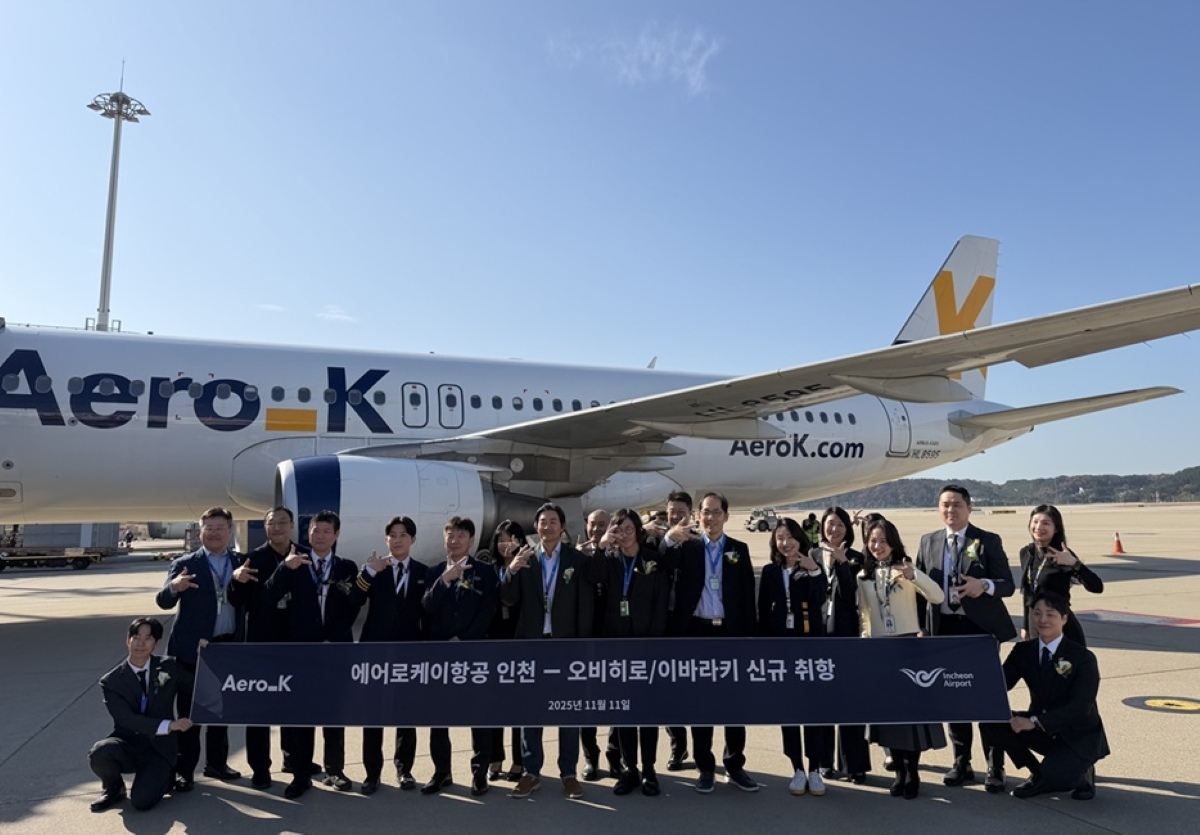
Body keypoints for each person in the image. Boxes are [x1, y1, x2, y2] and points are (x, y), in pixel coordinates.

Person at [915, 484, 1016, 793]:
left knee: (986, 699)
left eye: (957, 504)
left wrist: (982, 585)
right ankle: (962, 762)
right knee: (954, 697)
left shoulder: (987, 540)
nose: (950, 510)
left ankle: (995, 766)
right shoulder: (928, 541)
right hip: (944, 629)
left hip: (979, 630)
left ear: (969, 508)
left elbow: (1007, 584)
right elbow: (919, 587)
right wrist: (921, 627)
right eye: (945, 504)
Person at [263, 510, 360, 798]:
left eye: (327, 531)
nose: (320, 536)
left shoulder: (346, 567)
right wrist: (284, 569)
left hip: (334, 651)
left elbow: (352, 607)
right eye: (316, 531)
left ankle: (335, 770)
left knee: (333, 713)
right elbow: (268, 597)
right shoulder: (295, 563)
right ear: (308, 533)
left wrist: (333, 638)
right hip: (301, 651)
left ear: (336, 535)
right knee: (302, 714)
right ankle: (301, 774)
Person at [501, 502, 594, 800]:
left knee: (569, 710)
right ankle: (531, 772)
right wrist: (511, 571)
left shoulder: (575, 559)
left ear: (562, 526)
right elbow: (508, 599)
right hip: (532, 645)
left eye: (553, 521)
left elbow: (585, 605)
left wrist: (581, 646)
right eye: (542, 521)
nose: (547, 526)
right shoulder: (526, 557)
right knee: (531, 710)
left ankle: (568, 773)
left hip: (565, 646)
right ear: (536, 526)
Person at [669, 491, 759, 794]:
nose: (710, 517)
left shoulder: (739, 549)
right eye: (705, 512)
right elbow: (664, 564)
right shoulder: (688, 547)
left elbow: (747, 597)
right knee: (701, 703)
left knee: (734, 702)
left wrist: (749, 638)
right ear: (698, 516)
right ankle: (705, 767)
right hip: (697, 631)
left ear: (726, 516)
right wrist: (669, 538)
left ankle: (735, 765)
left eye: (716, 512)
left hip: (730, 633)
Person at [153, 506, 245, 792]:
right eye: (209, 528)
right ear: (201, 531)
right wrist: (174, 587)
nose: (214, 533)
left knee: (220, 711)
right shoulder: (185, 563)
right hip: (192, 651)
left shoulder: (241, 561)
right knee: (190, 715)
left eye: (220, 528)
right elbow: (163, 601)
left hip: (227, 647)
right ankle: (185, 771)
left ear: (230, 531)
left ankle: (217, 763)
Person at [858, 519, 947, 799]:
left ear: (893, 543)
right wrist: (866, 642)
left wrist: (914, 575)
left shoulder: (906, 570)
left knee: (910, 718)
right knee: (889, 719)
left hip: (908, 647)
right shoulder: (863, 576)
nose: (878, 546)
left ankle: (913, 772)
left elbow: (937, 596)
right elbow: (864, 615)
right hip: (880, 651)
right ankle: (898, 772)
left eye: (883, 541)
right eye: (873, 541)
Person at [587, 508, 670, 796]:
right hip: (617, 645)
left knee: (646, 711)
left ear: (638, 531)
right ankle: (629, 769)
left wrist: (653, 644)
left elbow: (660, 604)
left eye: (628, 529)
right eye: (618, 529)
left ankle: (649, 770)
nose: (623, 535)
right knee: (623, 711)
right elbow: (593, 577)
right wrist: (601, 547)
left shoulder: (652, 560)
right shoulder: (610, 560)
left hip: (646, 645)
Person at [227, 506, 308, 790]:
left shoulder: (305, 555)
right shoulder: (252, 559)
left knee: (294, 705)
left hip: (296, 642)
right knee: (259, 710)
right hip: (262, 642)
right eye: (272, 523)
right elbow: (239, 601)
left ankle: (293, 758)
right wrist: (235, 581)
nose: (277, 528)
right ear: (265, 528)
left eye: (283, 522)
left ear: (292, 525)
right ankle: (260, 768)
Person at [1002, 591, 1109, 801]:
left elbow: (1080, 708)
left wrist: (1034, 721)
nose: (1042, 620)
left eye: (1050, 614)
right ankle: (1037, 773)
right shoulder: (1023, 651)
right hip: (1044, 728)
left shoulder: (1083, 658)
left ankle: (1083, 770)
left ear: (1064, 618)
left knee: (1061, 781)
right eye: (1037, 613)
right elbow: (1001, 685)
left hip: (1078, 733)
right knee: (994, 722)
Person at [350, 515, 429, 795]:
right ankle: (372, 773)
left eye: (403, 535)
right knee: (373, 715)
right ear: (386, 540)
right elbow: (353, 601)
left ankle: (404, 770)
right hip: (376, 652)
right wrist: (369, 574)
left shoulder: (423, 572)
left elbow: (428, 612)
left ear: (413, 540)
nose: (397, 540)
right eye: (392, 535)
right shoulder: (374, 569)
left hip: (408, 653)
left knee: (406, 713)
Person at [422, 516, 499, 796]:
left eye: (460, 536)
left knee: (478, 715)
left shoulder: (485, 572)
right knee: (438, 717)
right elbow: (426, 608)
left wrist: (464, 639)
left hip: (472, 652)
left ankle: (479, 773)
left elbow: (488, 610)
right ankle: (442, 772)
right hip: (440, 655)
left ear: (471, 540)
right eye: (450, 536)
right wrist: (444, 580)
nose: (454, 541)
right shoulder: (433, 572)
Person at [88, 618, 194, 812]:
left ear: (156, 643)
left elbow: (197, 686)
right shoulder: (111, 681)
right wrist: (169, 725)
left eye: (148, 638)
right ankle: (114, 789)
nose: (141, 643)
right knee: (100, 752)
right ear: (127, 640)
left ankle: (167, 774)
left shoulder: (169, 667)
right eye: (136, 637)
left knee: (141, 802)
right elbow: (126, 719)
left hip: (159, 749)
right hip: (129, 744)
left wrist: (206, 653)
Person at [759, 518, 828, 797]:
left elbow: (820, 598)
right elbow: (763, 609)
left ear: (800, 539)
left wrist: (813, 571)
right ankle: (797, 767)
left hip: (809, 647)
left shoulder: (812, 567)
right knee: (788, 710)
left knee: (812, 709)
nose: (785, 543)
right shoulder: (770, 571)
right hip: (782, 650)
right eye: (780, 538)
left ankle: (815, 768)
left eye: (790, 537)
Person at [809, 506, 871, 783]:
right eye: (830, 524)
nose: (834, 530)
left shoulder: (857, 558)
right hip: (819, 639)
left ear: (848, 530)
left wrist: (843, 564)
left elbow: (852, 596)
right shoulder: (812, 555)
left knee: (851, 703)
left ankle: (854, 764)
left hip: (847, 638)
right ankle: (823, 760)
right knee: (822, 703)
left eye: (840, 525)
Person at [643, 489, 698, 772]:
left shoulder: (699, 542)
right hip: (660, 624)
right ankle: (678, 745)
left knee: (690, 689)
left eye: (681, 512)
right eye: (671, 512)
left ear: (690, 513)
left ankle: (701, 751)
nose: (675, 517)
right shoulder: (654, 539)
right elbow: (655, 566)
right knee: (664, 688)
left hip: (690, 625)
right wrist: (667, 540)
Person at [480, 519, 526, 781]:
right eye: (500, 539)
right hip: (493, 643)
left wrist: (514, 568)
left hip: (518, 642)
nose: (505, 543)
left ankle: (519, 761)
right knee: (493, 706)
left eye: (510, 538)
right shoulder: (489, 569)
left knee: (517, 706)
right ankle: (495, 757)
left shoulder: (527, 567)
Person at [576, 509, 619, 781]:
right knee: (586, 701)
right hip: (585, 638)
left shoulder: (617, 554)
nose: (597, 529)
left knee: (617, 700)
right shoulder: (577, 555)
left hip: (612, 636)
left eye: (602, 525)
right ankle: (591, 757)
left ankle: (616, 756)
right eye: (593, 525)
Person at [1019, 505, 1104, 646]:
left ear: (1056, 528)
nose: (1039, 527)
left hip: (1060, 623)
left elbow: (1097, 587)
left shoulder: (1063, 555)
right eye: (1035, 522)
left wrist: (1075, 564)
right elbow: (1027, 594)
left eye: (1046, 523)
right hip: (1036, 623)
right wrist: (1025, 625)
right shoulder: (1026, 553)